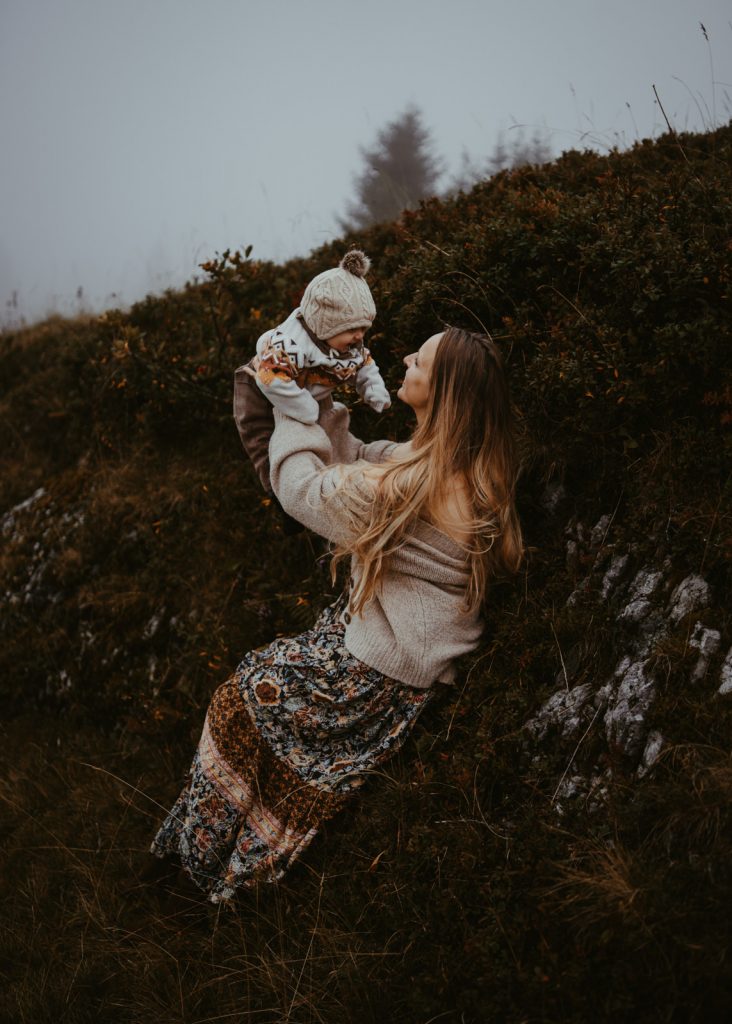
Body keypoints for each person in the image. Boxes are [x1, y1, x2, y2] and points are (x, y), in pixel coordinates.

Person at [150, 326, 523, 903]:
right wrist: (316, 393)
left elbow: (304, 490)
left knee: (242, 699)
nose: (404, 359)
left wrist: (287, 403)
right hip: (401, 652)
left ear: (443, 390)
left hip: (381, 679)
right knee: (263, 680)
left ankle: (210, 873)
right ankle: (222, 853)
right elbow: (360, 459)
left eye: (418, 360)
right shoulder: (463, 468)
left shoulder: (413, 488)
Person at [233, 249, 390, 502]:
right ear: (323, 325)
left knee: (323, 434)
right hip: (259, 385)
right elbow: (270, 379)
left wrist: (373, 388)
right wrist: (305, 408)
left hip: (310, 384)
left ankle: (330, 482)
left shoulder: (346, 342)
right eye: (352, 329)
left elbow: (364, 364)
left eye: (364, 327)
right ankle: (277, 494)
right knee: (262, 438)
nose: (360, 335)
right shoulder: (289, 344)